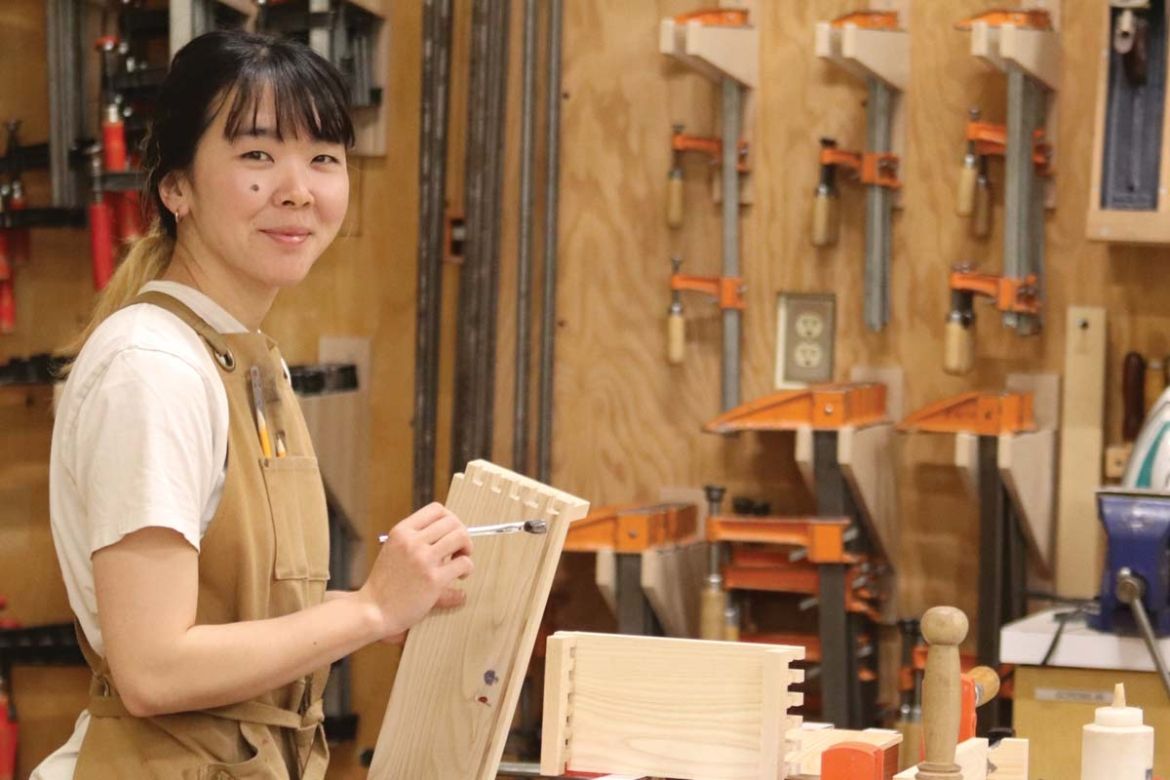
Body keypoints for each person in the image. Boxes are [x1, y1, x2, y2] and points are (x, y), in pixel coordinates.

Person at [34, 29, 473, 779]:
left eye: (324, 157)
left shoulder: (245, 356)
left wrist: (385, 606)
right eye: (258, 155)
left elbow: (229, 614)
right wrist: (366, 609)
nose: (298, 189)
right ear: (176, 188)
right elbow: (154, 668)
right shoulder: (154, 367)